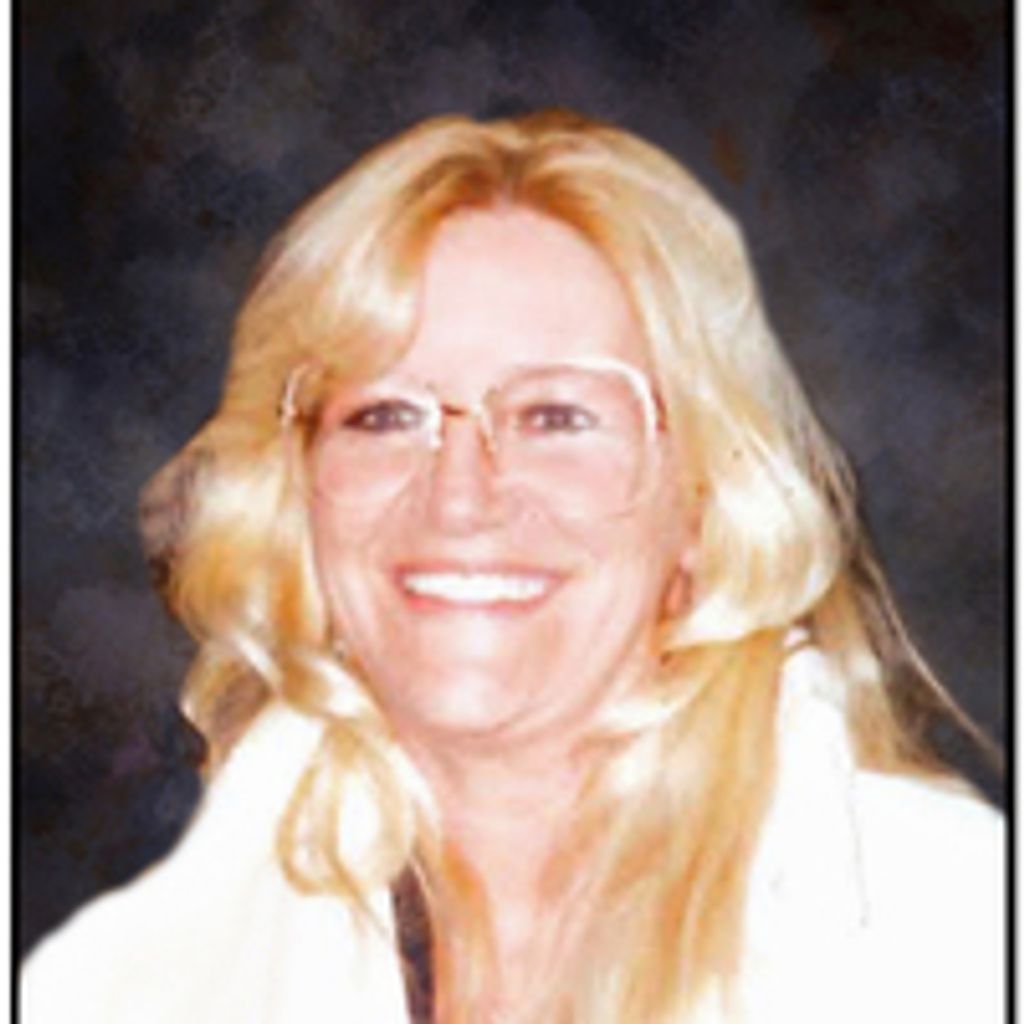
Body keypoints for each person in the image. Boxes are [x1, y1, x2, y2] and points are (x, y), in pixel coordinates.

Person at [21, 109, 1003, 1024]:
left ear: (706, 503)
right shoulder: (119, 989)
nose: (458, 497)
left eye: (556, 416)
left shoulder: (954, 938)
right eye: (384, 414)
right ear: (295, 493)